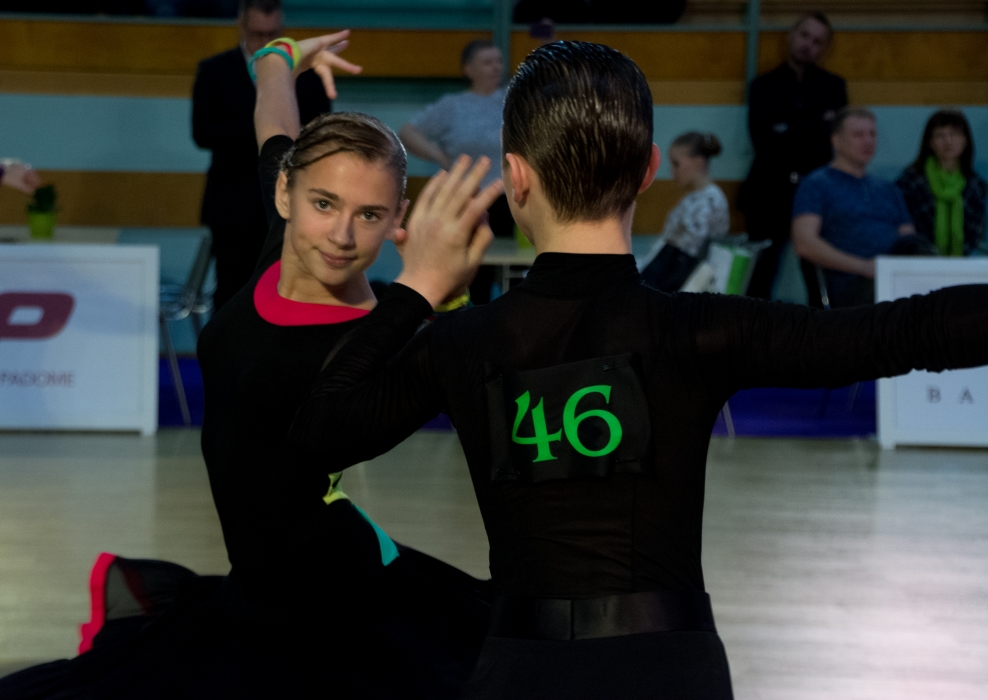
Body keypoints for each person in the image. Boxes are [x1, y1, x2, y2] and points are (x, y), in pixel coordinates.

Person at [287, 41, 988, 699]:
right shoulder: (699, 330)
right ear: (649, 170)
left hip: (522, 670)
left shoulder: (464, 341)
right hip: (673, 669)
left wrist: (415, 288)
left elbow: (318, 433)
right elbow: (908, 331)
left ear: (515, 177)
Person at [0, 32, 491, 700]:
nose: (342, 235)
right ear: (286, 190)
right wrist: (283, 56)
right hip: (256, 587)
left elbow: (440, 400)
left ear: (396, 220)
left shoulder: (387, 334)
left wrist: (435, 294)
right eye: (324, 203)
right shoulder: (281, 240)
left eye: (370, 214)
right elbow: (274, 109)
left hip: (327, 602)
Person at [192, 0, 330, 310]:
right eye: (257, 35)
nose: (266, 43)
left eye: (273, 35)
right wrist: (270, 129)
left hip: (291, 201)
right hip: (233, 203)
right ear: (240, 25)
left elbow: (321, 129)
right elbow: (202, 132)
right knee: (232, 291)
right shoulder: (215, 69)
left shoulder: (306, 73)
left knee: (289, 290)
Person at [740, 11, 847, 301]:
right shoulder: (763, 86)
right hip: (768, 191)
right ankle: (751, 329)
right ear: (791, 35)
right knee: (760, 277)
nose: (808, 45)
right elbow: (763, 141)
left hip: (815, 192)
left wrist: (786, 128)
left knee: (819, 278)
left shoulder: (834, 87)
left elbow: (833, 143)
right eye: (804, 35)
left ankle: (825, 329)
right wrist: (817, 125)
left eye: (817, 41)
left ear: (824, 48)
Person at [399, 40, 511, 303]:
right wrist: (440, 157)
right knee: (475, 275)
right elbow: (408, 132)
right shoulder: (453, 105)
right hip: (467, 199)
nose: (496, 67)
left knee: (512, 273)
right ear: (469, 69)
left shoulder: (511, 100)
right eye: (487, 62)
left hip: (509, 200)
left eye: (498, 61)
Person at [792, 108, 922, 308]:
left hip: (893, 278)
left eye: (872, 134)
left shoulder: (888, 189)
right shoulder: (817, 184)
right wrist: (864, 267)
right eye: (858, 135)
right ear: (836, 141)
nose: (868, 141)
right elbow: (805, 243)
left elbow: (909, 239)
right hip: (850, 285)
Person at [638, 131, 729, 292]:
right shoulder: (695, 197)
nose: (672, 170)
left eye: (676, 164)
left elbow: (690, 256)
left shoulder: (708, 201)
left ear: (698, 162)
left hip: (681, 282)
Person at [896, 109, 988, 257]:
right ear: (930, 142)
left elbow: (976, 236)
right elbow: (903, 231)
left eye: (955, 134)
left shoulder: (977, 185)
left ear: (966, 140)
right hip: (917, 261)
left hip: (964, 263)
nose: (948, 141)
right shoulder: (911, 181)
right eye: (940, 135)